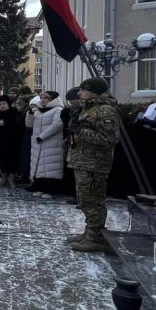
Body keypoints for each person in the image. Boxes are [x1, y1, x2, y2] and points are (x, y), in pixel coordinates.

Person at [66, 77, 121, 251]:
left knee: (93, 200)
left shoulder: (105, 110)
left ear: (94, 91)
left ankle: (96, 237)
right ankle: (90, 232)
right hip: (83, 161)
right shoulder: (88, 108)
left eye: (82, 90)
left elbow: (109, 138)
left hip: (94, 163)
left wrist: (81, 131)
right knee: (85, 199)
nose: (79, 93)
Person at [25, 90, 65, 195]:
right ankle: (40, 187)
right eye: (42, 98)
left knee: (50, 167)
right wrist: (29, 113)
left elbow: (56, 125)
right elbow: (29, 125)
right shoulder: (39, 110)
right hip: (38, 143)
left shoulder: (58, 110)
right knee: (39, 166)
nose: (43, 100)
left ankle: (50, 190)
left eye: (46, 98)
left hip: (51, 143)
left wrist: (42, 136)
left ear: (52, 99)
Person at [0, 95, 21, 186]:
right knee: (1, 161)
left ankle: (11, 178)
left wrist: (5, 124)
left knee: (12, 161)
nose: (2, 105)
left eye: (4, 103)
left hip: (12, 142)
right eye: (0, 104)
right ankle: (4, 177)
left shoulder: (14, 113)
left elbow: (18, 126)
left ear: (8, 104)